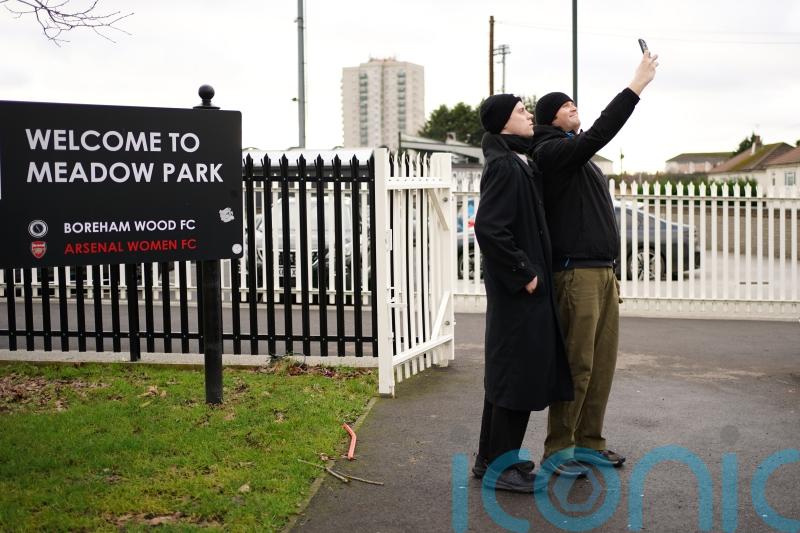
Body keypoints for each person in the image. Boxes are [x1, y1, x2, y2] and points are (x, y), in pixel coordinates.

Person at [531, 51, 659, 473]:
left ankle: (588, 441)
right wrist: (635, 86)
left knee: (602, 364)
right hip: (576, 274)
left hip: (603, 273)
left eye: (575, 104)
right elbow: (600, 133)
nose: (575, 108)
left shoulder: (578, 157)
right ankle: (558, 450)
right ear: (551, 118)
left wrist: (614, 270)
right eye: (567, 105)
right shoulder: (551, 152)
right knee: (578, 363)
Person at [472, 93, 575, 493]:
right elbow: (490, 229)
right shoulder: (503, 166)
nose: (528, 115)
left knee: (505, 377)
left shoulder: (518, 160)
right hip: (519, 293)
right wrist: (525, 274)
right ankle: (502, 467)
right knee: (515, 378)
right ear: (502, 124)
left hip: (520, 293)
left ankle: (491, 460)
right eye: (520, 112)